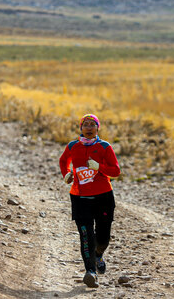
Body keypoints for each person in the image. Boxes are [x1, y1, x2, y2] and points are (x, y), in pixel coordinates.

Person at [59, 114, 121, 288]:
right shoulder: (73, 146)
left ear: (97, 128)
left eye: (92, 124)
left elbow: (116, 171)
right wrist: (67, 174)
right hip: (79, 198)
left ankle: (98, 254)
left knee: (102, 239)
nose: (88, 127)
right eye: (85, 125)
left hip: (103, 197)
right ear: (81, 128)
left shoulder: (104, 146)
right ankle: (90, 272)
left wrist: (99, 167)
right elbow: (63, 160)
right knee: (86, 235)